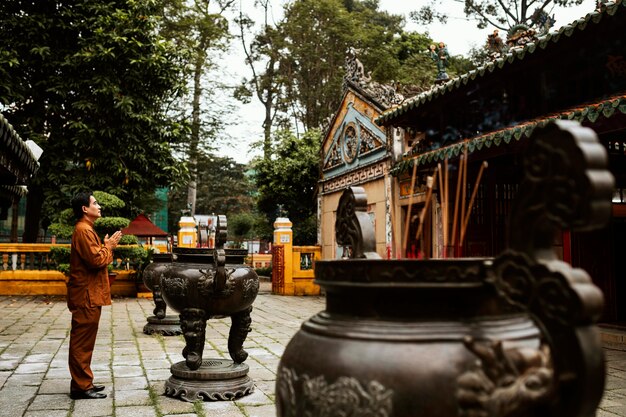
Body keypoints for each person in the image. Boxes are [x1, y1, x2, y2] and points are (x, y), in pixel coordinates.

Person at [67, 192, 122, 400]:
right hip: (85, 296)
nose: (98, 206)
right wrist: (109, 247)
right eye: (95, 203)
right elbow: (96, 261)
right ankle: (81, 387)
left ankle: (83, 382)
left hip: (89, 294)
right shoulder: (83, 230)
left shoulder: (87, 230)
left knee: (86, 341)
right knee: (81, 342)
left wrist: (103, 246)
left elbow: (94, 255)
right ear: (84, 209)